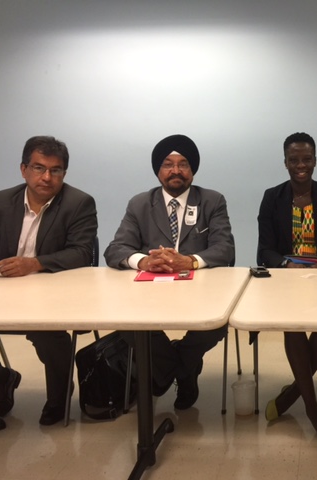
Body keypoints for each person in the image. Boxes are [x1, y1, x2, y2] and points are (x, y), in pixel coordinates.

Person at [104, 134, 235, 410]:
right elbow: (115, 249)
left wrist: (190, 261)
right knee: (128, 324)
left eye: (183, 164)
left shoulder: (212, 201)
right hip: (149, 291)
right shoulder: (139, 203)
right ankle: (185, 370)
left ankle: (167, 372)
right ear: (158, 171)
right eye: (168, 164)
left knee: (216, 324)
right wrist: (143, 262)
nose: (176, 170)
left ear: (193, 170)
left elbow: (225, 249)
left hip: (200, 290)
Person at [0, 135, 98, 425]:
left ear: (64, 174)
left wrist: (35, 264)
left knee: (48, 334)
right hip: (0, 290)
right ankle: (1, 377)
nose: (46, 177)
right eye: (39, 168)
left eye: (55, 170)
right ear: (23, 169)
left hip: (50, 293)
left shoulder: (79, 203)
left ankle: (59, 396)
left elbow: (82, 253)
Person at [257, 132, 317, 446]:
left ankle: (291, 395)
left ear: (315, 160)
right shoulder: (272, 197)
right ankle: (312, 410)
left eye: (306, 159)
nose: (301, 165)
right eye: (294, 159)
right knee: (293, 327)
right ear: (285, 162)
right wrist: (289, 267)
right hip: (287, 277)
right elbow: (265, 251)